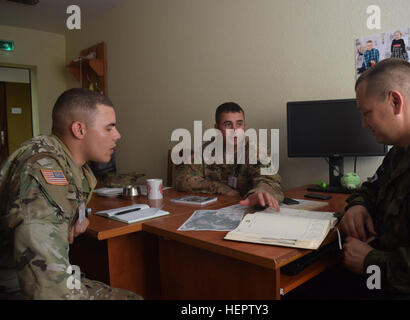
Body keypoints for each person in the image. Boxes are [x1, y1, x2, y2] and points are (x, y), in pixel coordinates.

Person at [0, 88, 142, 300]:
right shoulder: (43, 170)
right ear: (79, 129)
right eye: (109, 128)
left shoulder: (76, 167)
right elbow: (44, 286)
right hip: (14, 280)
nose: (117, 135)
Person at [340, 58, 410, 298]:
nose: (363, 123)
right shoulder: (403, 149)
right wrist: (358, 206)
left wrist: (370, 262)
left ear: (395, 102)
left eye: (367, 113)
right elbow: (371, 187)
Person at [175, 102, 283, 210]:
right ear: (217, 128)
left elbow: (269, 181)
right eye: (228, 124)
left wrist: (262, 192)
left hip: (247, 211)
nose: (235, 130)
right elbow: (182, 179)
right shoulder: (207, 149)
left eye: (239, 124)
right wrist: (222, 189)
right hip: (215, 209)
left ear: (244, 126)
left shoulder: (256, 151)